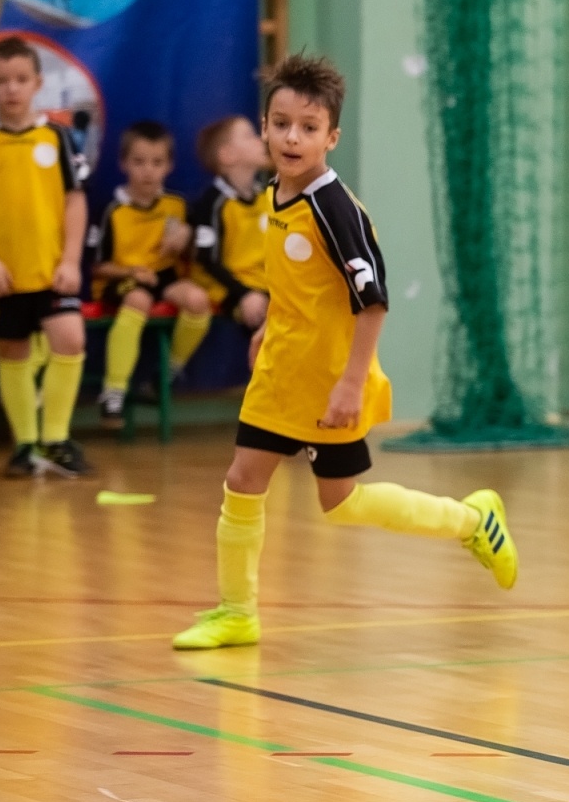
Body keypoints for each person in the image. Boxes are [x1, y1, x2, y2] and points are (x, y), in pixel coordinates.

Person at [172, 53, 518, 651]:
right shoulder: (276, 198)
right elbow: (300, 286)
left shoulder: (334, 209)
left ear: (331, 137)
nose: (292, 137)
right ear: (264, 126)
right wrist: (269, 326)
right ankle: (236, 612)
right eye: (281, 123)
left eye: (308, 127)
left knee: (343, 502)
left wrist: (352, 383)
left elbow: (372, 301)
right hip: (282, 368)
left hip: (330, 378)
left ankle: (472, 519)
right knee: (242, 479)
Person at [0, 35, 92, 477]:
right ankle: (26, 443)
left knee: (70, 340)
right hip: (1, 277)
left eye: (21, 79)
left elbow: (75, 200)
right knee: (11, 351)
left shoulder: (59, 137)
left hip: (50, 271)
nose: (12, 88)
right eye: (2, 81)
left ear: (37, 83)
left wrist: (70, 261)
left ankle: (54, 439)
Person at [91, 120, 211, 428]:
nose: (148, 170)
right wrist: (130, 270)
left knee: (198, 300)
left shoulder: (176, 206)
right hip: (122, 278)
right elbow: (98, 265)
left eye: (157, 162)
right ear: (123, 163)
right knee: (138, 300)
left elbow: (196, 249)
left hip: (163, 276)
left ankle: (166, 376)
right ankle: (113, 392)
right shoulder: (113, 211)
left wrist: (185, 239)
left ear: (169, 166)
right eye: (139, 162)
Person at [189, 114, 270, 346]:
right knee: (269, 325)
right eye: (249, 135)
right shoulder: (214, 202)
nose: (260, 140)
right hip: (226, 288)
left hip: (262, 287)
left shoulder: (267, 197)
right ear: (228, 155)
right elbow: (207, 260)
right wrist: (243, 294)